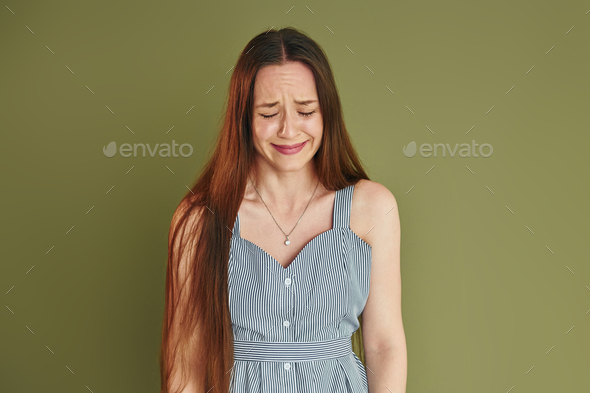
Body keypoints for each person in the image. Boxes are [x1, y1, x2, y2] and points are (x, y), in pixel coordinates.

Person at [160, 27, 406, 393]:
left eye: (306, 110)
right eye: (268, 113)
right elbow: (185, 362)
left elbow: (384, 345)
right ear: (243, 118)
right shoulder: (199, 219)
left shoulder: (372, 208)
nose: (289, 130)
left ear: (327, 114)